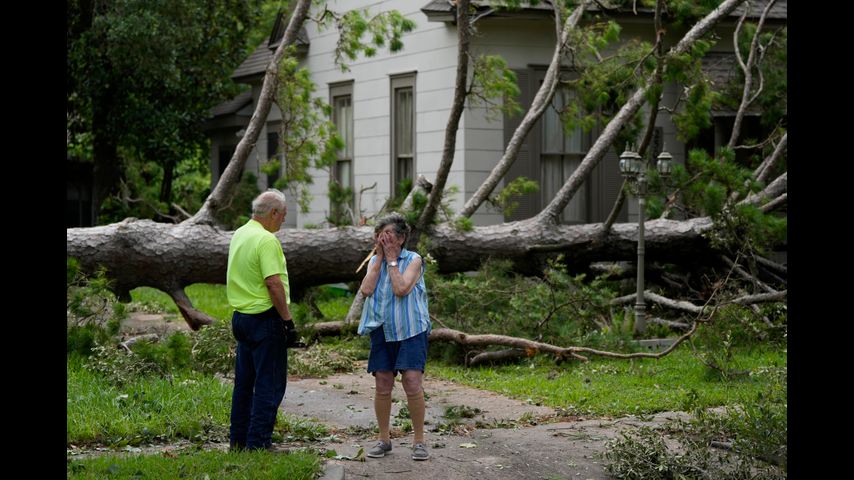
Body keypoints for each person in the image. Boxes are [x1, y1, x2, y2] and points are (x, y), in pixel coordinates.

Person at [226, 189, 301, 451]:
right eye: (283, 215)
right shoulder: (266, 240)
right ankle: (259, 443)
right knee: (269, 384)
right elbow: (273, 283)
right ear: (273, 213)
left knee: (244, 385)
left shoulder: (240, 233)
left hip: (241, 317)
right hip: (264, 319)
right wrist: (288, 322)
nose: (283, 221)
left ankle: (238, 441)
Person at [358, 212, 432, 461]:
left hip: (411, 329)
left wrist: (392, 260)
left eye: (389, 235)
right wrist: (380, 259)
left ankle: (419, 441)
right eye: (381, 235)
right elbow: (366, 290)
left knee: (411, 381)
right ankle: (384, 439)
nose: (384, 239)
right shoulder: (374, 261)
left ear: (401, 238)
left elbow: (401, 289)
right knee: (382, 383)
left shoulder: (414, 260)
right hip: (382, 328)